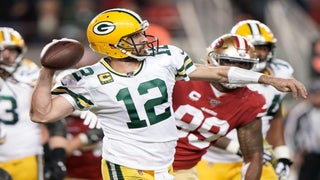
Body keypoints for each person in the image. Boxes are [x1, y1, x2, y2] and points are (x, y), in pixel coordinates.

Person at [29, 8, 307, 180]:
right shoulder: (89, 80)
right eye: (135, 36)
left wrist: (267, 78)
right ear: (114, 45)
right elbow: (42, 113)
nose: (144, 39)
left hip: (166, 166)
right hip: (126, 166)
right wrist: (47, 72)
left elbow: (221, 73)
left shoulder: (164, 59)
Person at [196, 20, 294, 180]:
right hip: (210, 159)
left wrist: (282, 154)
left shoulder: (280, 75)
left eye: (264, 47)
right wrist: (237, 147)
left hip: (255, 156)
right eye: (255, 47)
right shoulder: (217, 79)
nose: (260, 53)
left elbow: (273, 116)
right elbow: (197, 123)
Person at [0, 27, 44, 180]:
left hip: (25, 151)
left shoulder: (30, 70)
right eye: (2, 51)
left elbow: (45, 110)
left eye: (11, 50)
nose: (7, 56)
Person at [285, 81, 320, 180]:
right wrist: (293, 152)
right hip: (307, 153)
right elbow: (290, 133)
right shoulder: (300, 111)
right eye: (316, 95)